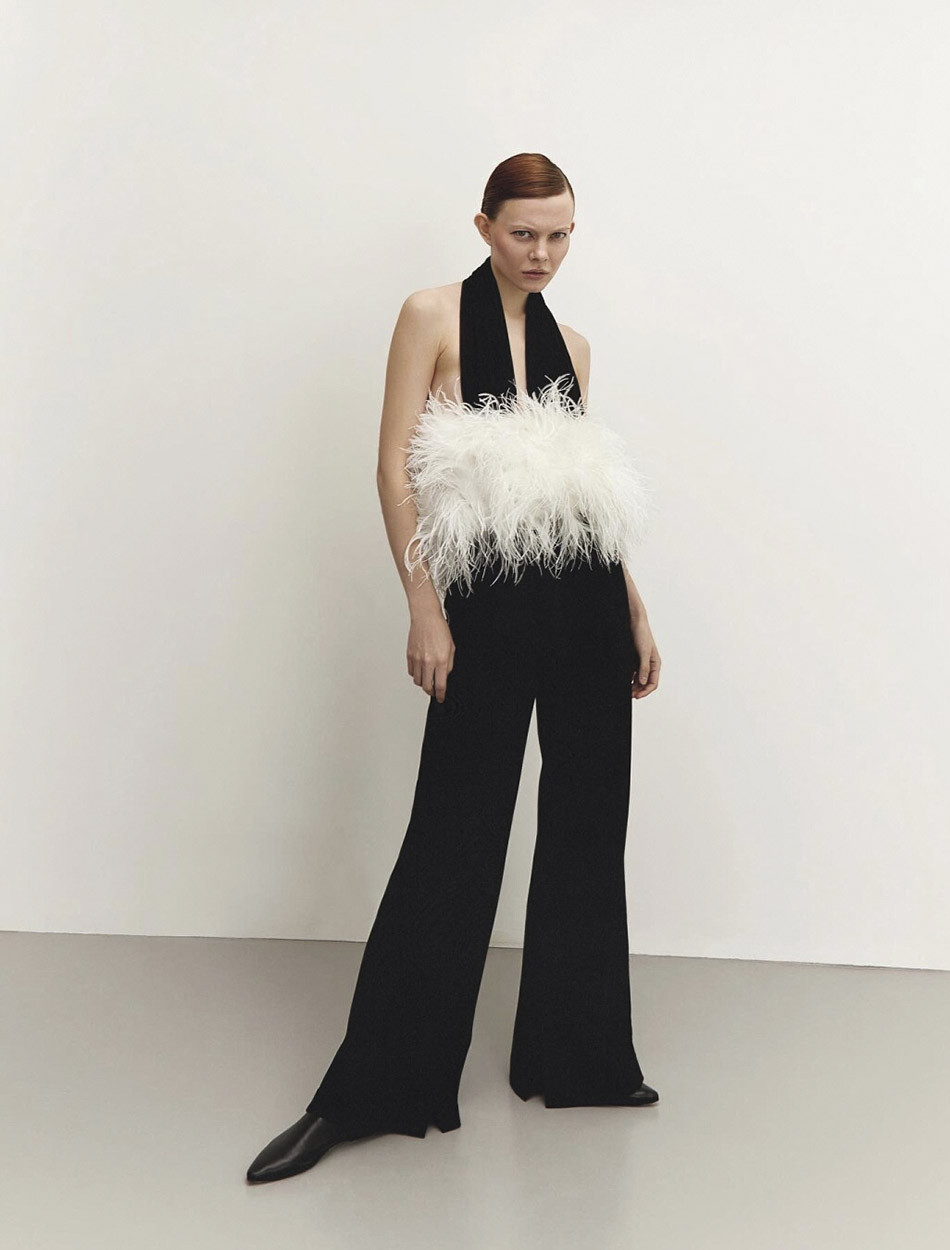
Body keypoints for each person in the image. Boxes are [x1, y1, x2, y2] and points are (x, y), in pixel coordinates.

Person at [247, 153, 662, 1185]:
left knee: (587, 823)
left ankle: (574, 1056)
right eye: (524, 233)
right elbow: (393, 465)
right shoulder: (430, 314)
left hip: (583, 601)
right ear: (482, 226)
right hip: (486, 603)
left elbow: (579, 494)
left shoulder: (575, 346)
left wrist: (634, 607)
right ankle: (373, 1087)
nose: (543, 253)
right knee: (455, 829)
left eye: (560, 234)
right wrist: (423, 603)